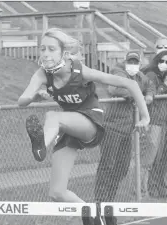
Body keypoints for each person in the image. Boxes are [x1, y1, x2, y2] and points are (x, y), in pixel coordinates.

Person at [18, 28, 150, 225]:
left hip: (91, 122)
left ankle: (41, 145)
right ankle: (92, 216)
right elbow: (22, 99)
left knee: (52, 116)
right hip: (68, 127)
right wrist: (33, 95)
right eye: (42, 49)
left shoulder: (81, 71)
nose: (45, 53)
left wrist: (145, 116)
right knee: (57, 192)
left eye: (51, 49)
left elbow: (129, 84)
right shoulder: (42, 75)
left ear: (64, 53)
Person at [94, 50, 155, 212]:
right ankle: (100, 200)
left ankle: (109, 199)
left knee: (122, 166)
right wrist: (137, 95)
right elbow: (114, 89)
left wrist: (148, 95)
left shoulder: (140, 76)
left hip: (127, 128)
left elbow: (150, 85)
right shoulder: (118, 71)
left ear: (140, 64)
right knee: (107, 164)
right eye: (131, 62)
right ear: (125, 61)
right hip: (112, 126)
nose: (133, 65)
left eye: (136, 62)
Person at [145, 50, 167, 198]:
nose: (164, 64)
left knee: (163, 157)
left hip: (164, 121)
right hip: (155, 121)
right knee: (154, 156)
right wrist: (164, 85)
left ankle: (160, 186)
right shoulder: (151, 75)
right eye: (162, 61)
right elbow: (154, 95)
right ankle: (149, 188)